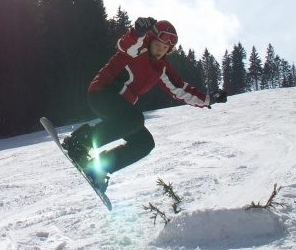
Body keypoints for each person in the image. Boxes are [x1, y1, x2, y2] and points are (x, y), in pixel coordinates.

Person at [62, 17, 227, 192]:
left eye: (165, 48)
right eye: (158, 45)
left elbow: (180, 89)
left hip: (120, 108)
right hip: (102, 93)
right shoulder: (138, 48)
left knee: (144, 143)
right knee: (135, 119)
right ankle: (80, 142)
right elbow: (124, 45)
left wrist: (209, 99)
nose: (160, 51)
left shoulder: (161, 68)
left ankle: (97, 169)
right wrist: (138, 32)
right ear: (151, 39)